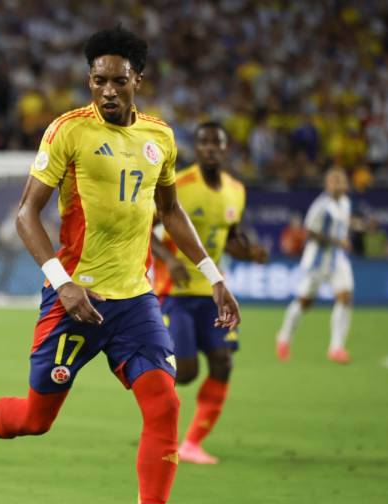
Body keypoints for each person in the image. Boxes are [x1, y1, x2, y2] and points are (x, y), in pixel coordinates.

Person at [0, 27, 241, 504]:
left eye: (118, 80)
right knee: (34, 418)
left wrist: (211, 274)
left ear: (138, 80)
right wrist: (62, 281)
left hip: (135, 300)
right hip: (74, 299)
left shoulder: (160, 137)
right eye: (98, 80)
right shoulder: (67, 131)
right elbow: (26, 214)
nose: (108, 90)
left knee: (164, 403)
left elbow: (170, 211)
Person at [151, 122, 267, 465]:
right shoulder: (180, 185)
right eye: (203, 144)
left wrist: (250, 253)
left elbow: (229, 236)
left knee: (223, 363)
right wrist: (170, 260)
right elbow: (145, 228)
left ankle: (191, 443)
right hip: (175, 292)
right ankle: (153, 406)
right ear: (197, 149)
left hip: (213, 293)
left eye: (216, 144)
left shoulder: (236, 190)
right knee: (185, 372)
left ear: (225, 148)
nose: (210, 149)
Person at [276, 168, 354, 364]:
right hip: (317, 261)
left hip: (337, 260)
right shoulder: (321, 206)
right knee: (305, 302)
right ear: (327, 185)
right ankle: (284, 336)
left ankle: (336, 348)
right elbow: (309, 231)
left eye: (341, 181)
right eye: (334, 181)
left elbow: (342, 228)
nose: (339, 185)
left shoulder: (345, 203)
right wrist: (337, 241)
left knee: (345, 297)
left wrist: (342, 240)